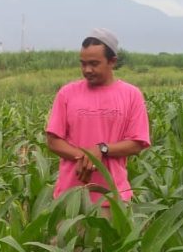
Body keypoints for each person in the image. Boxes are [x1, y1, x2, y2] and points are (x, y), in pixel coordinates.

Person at [45, 28, 150, 209]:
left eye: (94, 63)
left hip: (112, 199)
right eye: (83, 63)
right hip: (69, 199)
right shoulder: (67, 93)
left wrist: (102, 149)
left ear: (112, 62)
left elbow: (137, 143)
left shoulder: (132, 95)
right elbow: (53, 141)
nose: (87, 70)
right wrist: (86, 157)